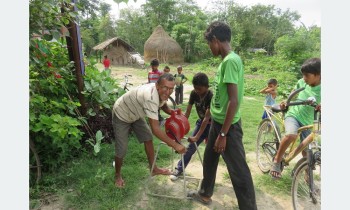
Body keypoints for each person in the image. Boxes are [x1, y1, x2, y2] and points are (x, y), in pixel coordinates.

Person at [187, 21, 257, 209]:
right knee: (209, 161)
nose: (210, 48)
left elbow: (234, 101)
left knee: (239, 172)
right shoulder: (224, 62)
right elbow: (220, 95)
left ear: (216, 40)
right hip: (216, 122)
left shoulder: (231, 61)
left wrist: (224, 134)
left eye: (209, 43)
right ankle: (205, 194)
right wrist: (210, 114)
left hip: (229, 128)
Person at [112, 73, 186, 188]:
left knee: (148, 138)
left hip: (136, 114)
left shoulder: (160, 92)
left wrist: (174, 113)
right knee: (122, 148)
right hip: (122, 114)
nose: (168, 92)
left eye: (171, 89)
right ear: (157, 86)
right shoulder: (151, 97)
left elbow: (164, 106)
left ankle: (154, 169)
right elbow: (156, 129)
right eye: (165, 88)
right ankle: (117, 175)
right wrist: (175, 145)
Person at [270, 58, 321, 179]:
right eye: (303, 75)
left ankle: (308, 179)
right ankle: (277, 161)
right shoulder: (302, 83)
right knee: (291, 135)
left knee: (308, 151)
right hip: (294, 115)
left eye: (307, 75)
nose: (304, 78)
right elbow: (293, 94)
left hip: (310, 121)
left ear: (318, 75)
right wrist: (286, 102)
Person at [170, 72, 213, 181]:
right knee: (190, 148)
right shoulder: (194, 93)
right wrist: (180, 125)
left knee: (214, 151)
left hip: (213, 125)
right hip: (201, 123)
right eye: (195, 88)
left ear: (207, 87)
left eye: (200, 89)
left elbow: (207, 118)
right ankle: (179, 169)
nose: (197, 91)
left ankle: (209, 178)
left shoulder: (211, 96)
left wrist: (197, 136)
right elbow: (187, 112)